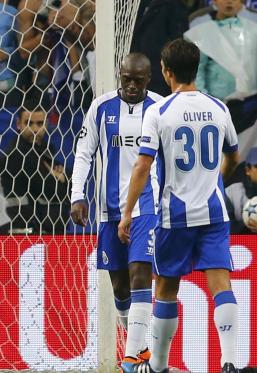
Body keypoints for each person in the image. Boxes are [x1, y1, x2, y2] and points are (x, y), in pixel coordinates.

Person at [118, 38, 240, 373]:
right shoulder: (219, 107)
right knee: (220, 283)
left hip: (175, 215)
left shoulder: (159, 112)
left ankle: (158, 365)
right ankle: (229, 359)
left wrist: (128, 212)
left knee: (167, 287)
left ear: (165, 71)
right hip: (215, 212)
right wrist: (216, 182)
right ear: (196, 68)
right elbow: (233, 155)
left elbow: (143, 165)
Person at [71, 53, 163, 372]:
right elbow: (84, 154)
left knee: (141, 275)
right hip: (109, 210)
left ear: (149, 79)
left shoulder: (160, 109)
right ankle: (140, 345)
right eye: (127, 79)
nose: (133, 85)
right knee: (120, 288)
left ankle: (130, 358)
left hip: (147, 207)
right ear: (120, 76)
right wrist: (77, 195)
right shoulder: (101, 107)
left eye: (139, 80)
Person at [0, 97, 69, 234]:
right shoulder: (16, 155)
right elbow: (52, 191)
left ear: (46, 124)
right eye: (29, 123)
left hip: (49, 231)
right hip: (26, 233)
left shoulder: (46, 152)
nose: (34, 129)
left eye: (39, 123)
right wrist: (62, 179)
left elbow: (70, 185)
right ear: (18, 124)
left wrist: (62, 178)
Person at [225, 146, 257, 233]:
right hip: (240, 245)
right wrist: (247, 221)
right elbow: (224, 230)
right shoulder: (231, 192)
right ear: (248, 170)